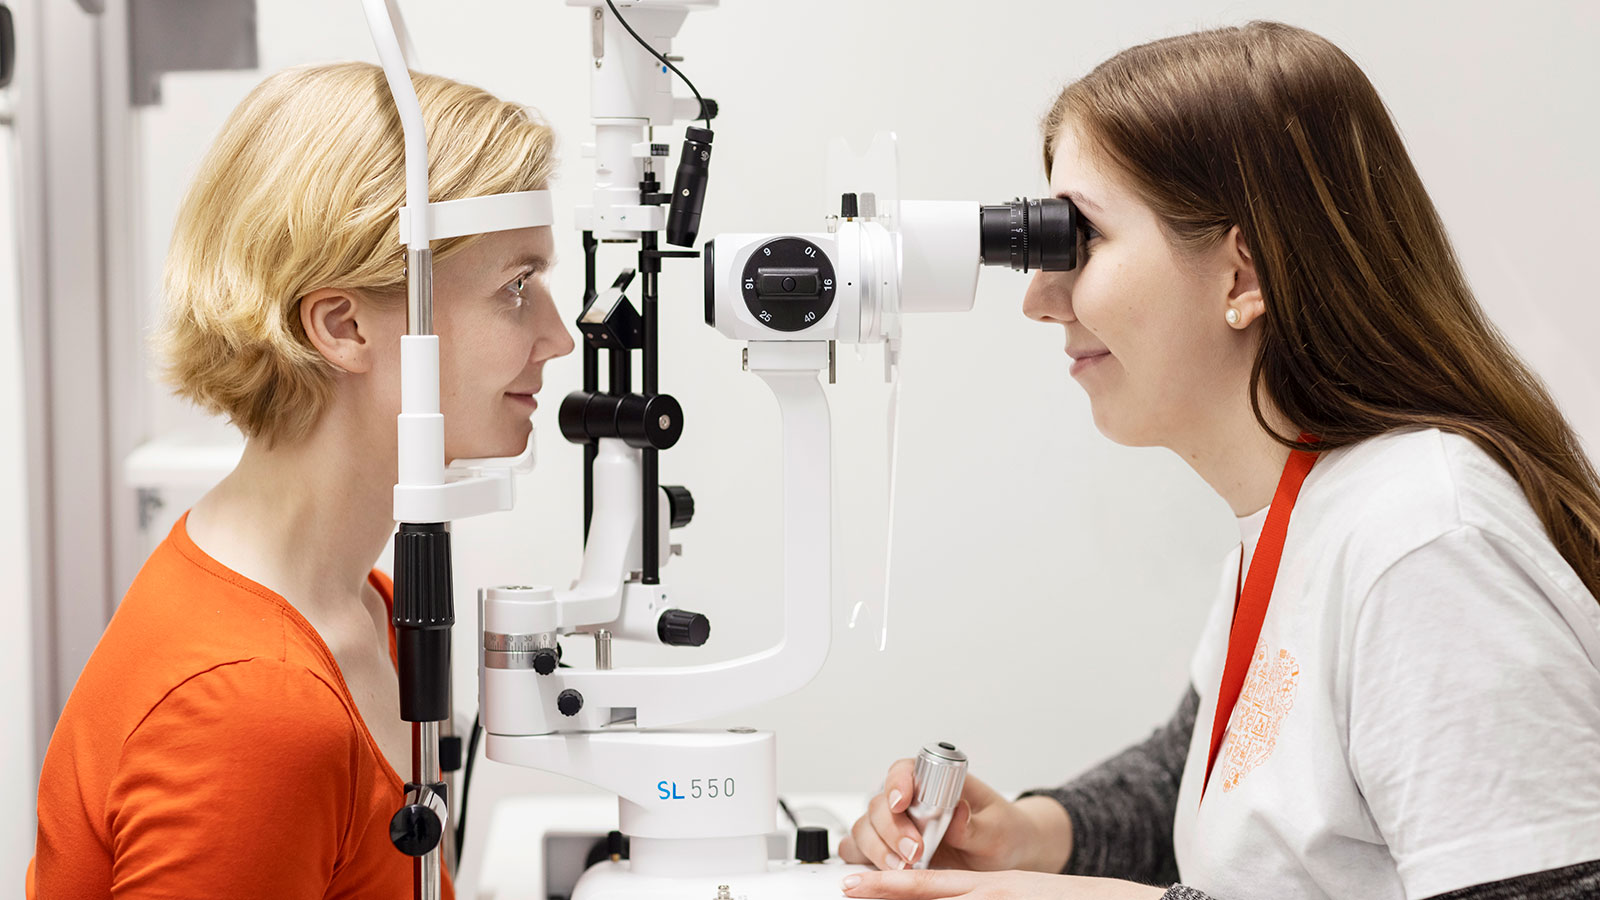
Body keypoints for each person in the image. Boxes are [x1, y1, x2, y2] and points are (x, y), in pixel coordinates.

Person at [839, 21, 1600, 900]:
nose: (1040, 301)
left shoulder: (1424, 541)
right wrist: (1032, 834)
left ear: (1242, 276)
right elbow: (1213, 785)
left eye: (1076, 241)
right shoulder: (1302, 505)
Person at [28, 62, 573, 897]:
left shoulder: (364, 605)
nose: (558, 336)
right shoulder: (251, 711)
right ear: (344, 326)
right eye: (515, 287)